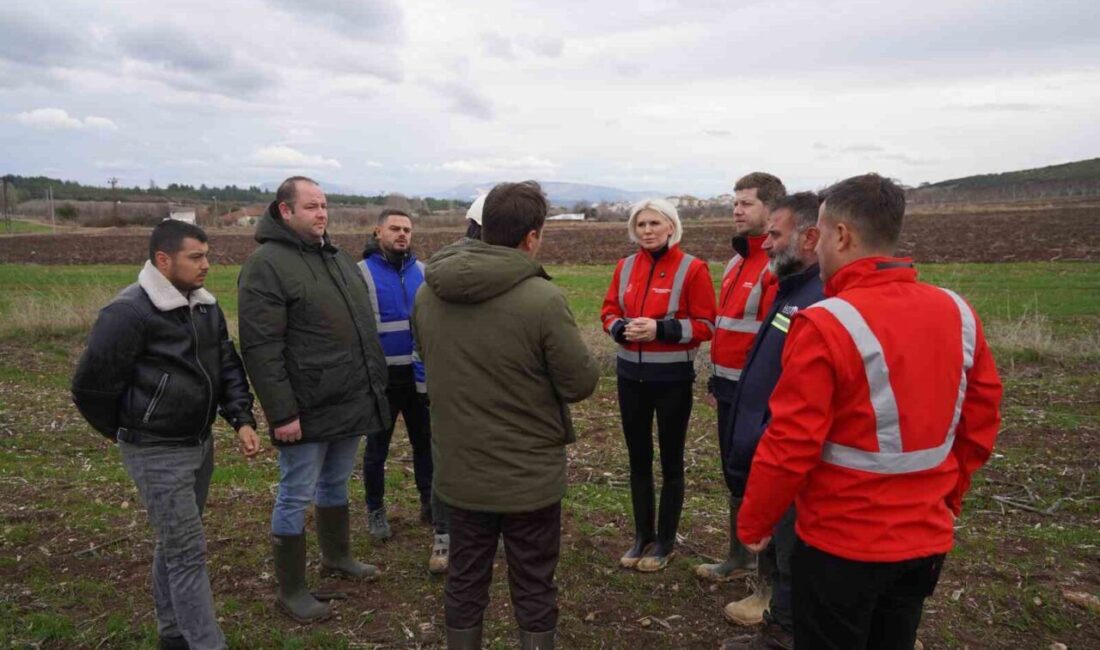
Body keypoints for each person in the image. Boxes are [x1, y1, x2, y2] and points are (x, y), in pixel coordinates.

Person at [738, 174, 1003, 650]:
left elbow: (790, 441)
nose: (815, 250)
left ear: (842, 235)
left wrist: (756, 521)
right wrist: (947, 497)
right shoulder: (957, 312)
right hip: (925, 541)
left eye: (820, 235)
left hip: (841, 545)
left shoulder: (825, 322)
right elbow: (979, 424)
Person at [413, 180, 599, 649]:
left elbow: (429, 357)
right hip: (527, 476)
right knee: (534, 582)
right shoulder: (541, 299)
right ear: (532, 237)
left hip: (460, 470)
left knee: (465, 577)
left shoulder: (427, 293)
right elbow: (579, 383)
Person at [72, 220, 259, 650]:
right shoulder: (129, 312)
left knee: (175, 542)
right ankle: (206, 643)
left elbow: (227, 366)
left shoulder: (205, 307)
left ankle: (172, 632)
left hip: (198, 444)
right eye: (196, 257)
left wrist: (241, 419)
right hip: (155, 451)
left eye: (207, 255)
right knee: (188, 553)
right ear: (163, 260)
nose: (206, 265)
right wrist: (133, 431)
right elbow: (90, 387)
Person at [238, 176, 390, 623]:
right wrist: (281, 413)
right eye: (311, 207)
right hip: (304, 407)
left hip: (347, 399)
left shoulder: (336, 258)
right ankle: (291, 589)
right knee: (295, 492)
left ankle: (336, 556)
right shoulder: (266, 264)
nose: (321, 214)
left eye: (324, 206)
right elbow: (261, 347)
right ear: (285, 211)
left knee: (336, 481)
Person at [718, 192, 824, 649]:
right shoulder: (792, 289)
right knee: (786, 540)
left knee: (793, 544)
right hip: (758, 428)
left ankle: (782, 629)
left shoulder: (816, 299)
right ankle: (780, 619)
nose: (766, 244)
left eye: (776, 235)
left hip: (783, 446)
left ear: (812, 237)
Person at [600, 198, 717, 572]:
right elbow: (607, 311)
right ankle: (642, 536)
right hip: (629, 378)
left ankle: (665, 541)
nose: (647, 230)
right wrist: (619, 327)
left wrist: (659, 329)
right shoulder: (625, 266)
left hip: (671, 381)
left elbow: (707, 325)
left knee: (670, 462)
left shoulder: (692, 268)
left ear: (671, 226)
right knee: (638, 460)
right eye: (641, 224)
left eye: (654, 223)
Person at [698, 172, 787, 583]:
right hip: (729, 387)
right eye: (735, 202)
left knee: (761, 480)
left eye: (747, 203)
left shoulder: (776, 266)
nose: (736, 209)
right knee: (734, 472)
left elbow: (772, 342)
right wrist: (717, 381)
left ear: (771, 209)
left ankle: (767, 582)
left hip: (759, 396)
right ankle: (740, 558)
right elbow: (728, 329)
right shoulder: (736, 262)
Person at [358, 208, 450, 573]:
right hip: (381, 378)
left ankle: (428, 503)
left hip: (418, 377)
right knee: (376, 448)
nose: (401, 234)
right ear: (378, 231)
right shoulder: (361, 273)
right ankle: (376, 510)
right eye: (394, 228)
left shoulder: (425, 273)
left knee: (424, 443)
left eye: (407, 229)